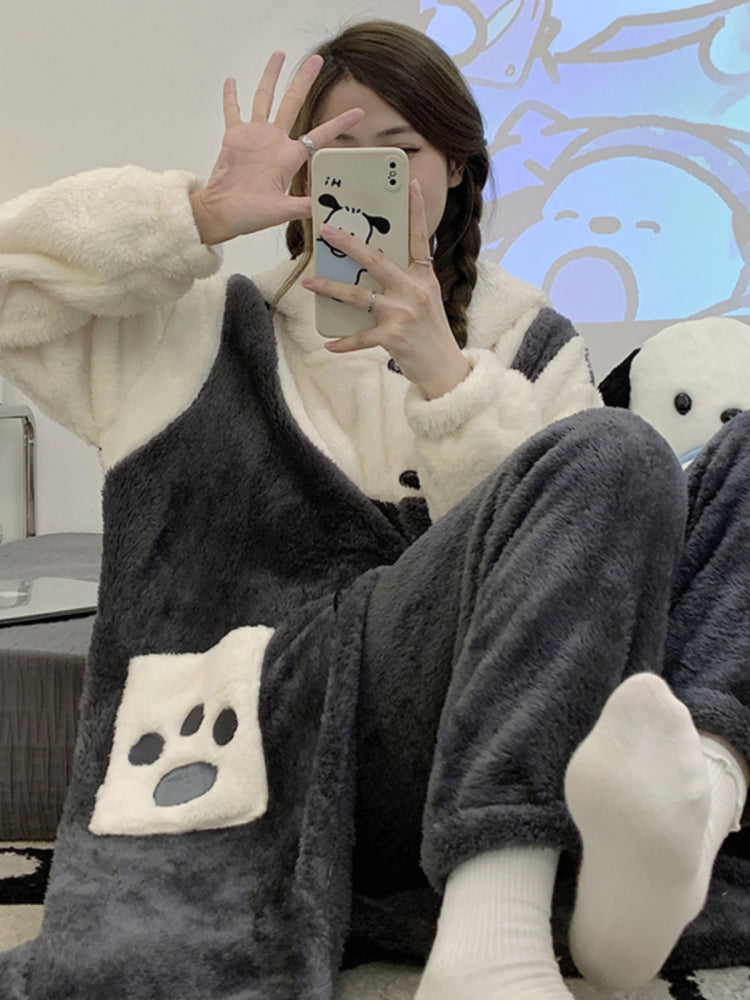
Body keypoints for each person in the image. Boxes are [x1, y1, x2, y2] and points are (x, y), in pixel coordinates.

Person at [0, 19, 748, 1000]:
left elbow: (569, 600)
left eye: (397, 156)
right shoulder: (189, 335)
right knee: (617, 449)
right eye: (334, 157)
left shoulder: (528, 343)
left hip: (494, 724)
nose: (365, 187)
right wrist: (196, 214)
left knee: (662, 459)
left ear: (455, 168)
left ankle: (689, 805)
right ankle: (507, 924)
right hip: (283, 745)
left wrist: (447, 377)